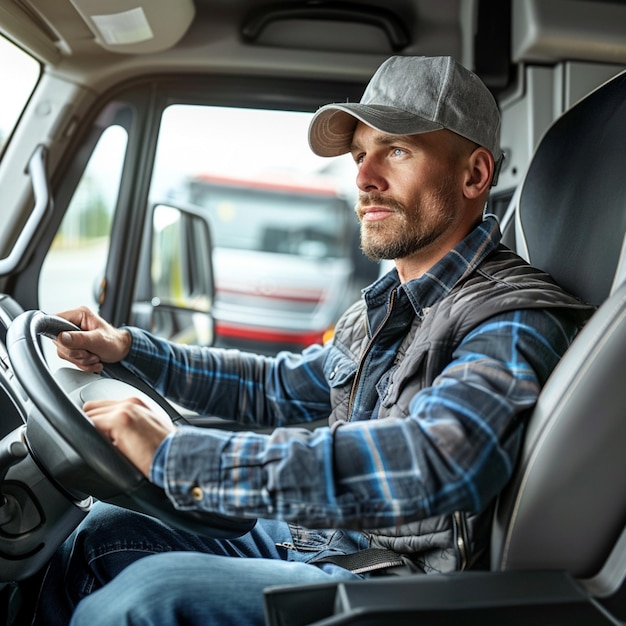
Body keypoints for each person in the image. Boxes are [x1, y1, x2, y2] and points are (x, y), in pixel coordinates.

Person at [32, 55, 593, 625]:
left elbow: (441, 460)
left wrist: (180, 455)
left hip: (403, 589)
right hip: (338, 541)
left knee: (148, 596)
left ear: (474, 175)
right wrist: (130, 348)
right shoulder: (388, 304)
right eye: (359, 155)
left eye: (396, 150)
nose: (363, 178)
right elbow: (276, 387)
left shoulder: (513, 314)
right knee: (104, 533)